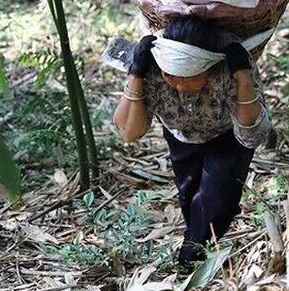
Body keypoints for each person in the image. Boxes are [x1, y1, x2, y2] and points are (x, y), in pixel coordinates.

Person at [112, 16, 271, 270]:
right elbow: (129, 132)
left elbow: (253, 133)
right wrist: (135, 74)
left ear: (207, 68)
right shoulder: (153, 67)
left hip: (227, 134)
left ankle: (190, 257)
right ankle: (199, 246)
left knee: (218, 197)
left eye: (188, 78)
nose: (178, 85)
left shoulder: (228, 65)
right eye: (171, 76)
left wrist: (243, 78)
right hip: (180, 134)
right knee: (190, 198)